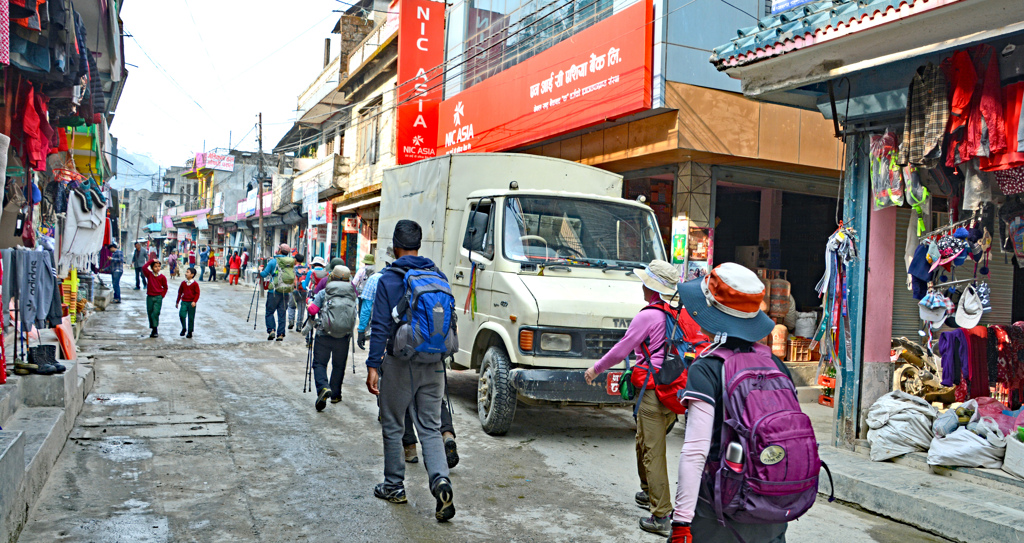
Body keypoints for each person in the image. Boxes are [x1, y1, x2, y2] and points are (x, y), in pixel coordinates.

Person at [668, 263, 793, 543]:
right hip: (770, 505)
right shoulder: (775, 364)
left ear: (712, 314)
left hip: (719, 508)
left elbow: (695, 451)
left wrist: (681, 522)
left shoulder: (707, 368)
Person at [583, 260, 707, 537]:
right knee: (644, 441)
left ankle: (662, 515)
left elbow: (620, 350)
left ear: (651, 287)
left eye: (644, 282)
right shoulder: (681, 313)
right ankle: (649, 491)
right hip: (676, 390)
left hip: (653, 391)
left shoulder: (647, 316)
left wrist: (595, 369)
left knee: (653, 452)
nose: (641, 285)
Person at [366, 220, 455, 522]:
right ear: (418, 244)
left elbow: (379, 326)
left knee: (393, 423)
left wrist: (372, 366)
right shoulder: (437, 275)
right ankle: (440, 480)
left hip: (399, 363)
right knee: (430, 427)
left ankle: (394, 487)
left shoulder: (388, 279)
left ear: (395, 245)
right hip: (434, 363)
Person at [306, 264, 356, 410]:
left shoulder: (325, 292)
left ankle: (323, 387)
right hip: (344, 336)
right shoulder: (352, 293)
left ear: (332, 276)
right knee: (339, 365)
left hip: (324, 334)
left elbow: (313, 310)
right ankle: (335, 395)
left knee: (320, 363)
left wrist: (309, 304)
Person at [260, 244, 297, 341]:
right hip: (286, 291)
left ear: (279, 250)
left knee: (269, 312)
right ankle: (280, 334)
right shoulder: (290, 262)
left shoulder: (273, 262)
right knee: (282, 313)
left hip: (274, 291)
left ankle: (271, 330)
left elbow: (264, 274)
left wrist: (260, 270)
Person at [141, 256, 168, 338]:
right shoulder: (149, 275)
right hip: (149, 297)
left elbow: (165, 287)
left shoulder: (162, 277)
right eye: (155, 266)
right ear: (152, 267)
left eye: (159, 266)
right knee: (150, 313)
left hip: (158, 297)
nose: (157, 268)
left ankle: (155, 329)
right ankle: (153, 328)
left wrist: (162, 295)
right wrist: (152, 260)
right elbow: (144, 267)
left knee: (155, 313)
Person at [177, 267, 200, 338]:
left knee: (191, 317)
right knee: (182, 315)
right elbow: (180, 292)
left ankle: (190, 332)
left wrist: (194, 301)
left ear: (192, 275)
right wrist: (177, 301)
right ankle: (184, 328)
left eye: (187, 272)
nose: (186, 273)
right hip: (184, 301)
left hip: (191, 303)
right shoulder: (183, 283)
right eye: (186, 272)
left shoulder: (195, 284)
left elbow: (197, 293)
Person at [288, 254, 309, 330]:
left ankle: (291, 321)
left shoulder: (292, 268)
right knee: (301, 307)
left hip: (294, 290)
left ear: (295, 260)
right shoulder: (306, 269)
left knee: (291, 306)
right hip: (303, 290)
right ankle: (299, 325)